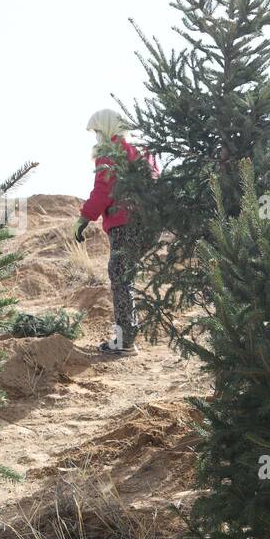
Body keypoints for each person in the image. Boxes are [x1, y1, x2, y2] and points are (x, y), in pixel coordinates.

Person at [74, 109, 157, 355]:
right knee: (125, 277)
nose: (97, 137)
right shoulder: (141, 151)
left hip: (125, 224)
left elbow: (103, 190)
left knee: (120, 277)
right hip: (150, 224)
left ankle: (125, 341)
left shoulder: (110, 152)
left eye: (97, 131)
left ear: (107, 129)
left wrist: (83, 218)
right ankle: (127, 336)